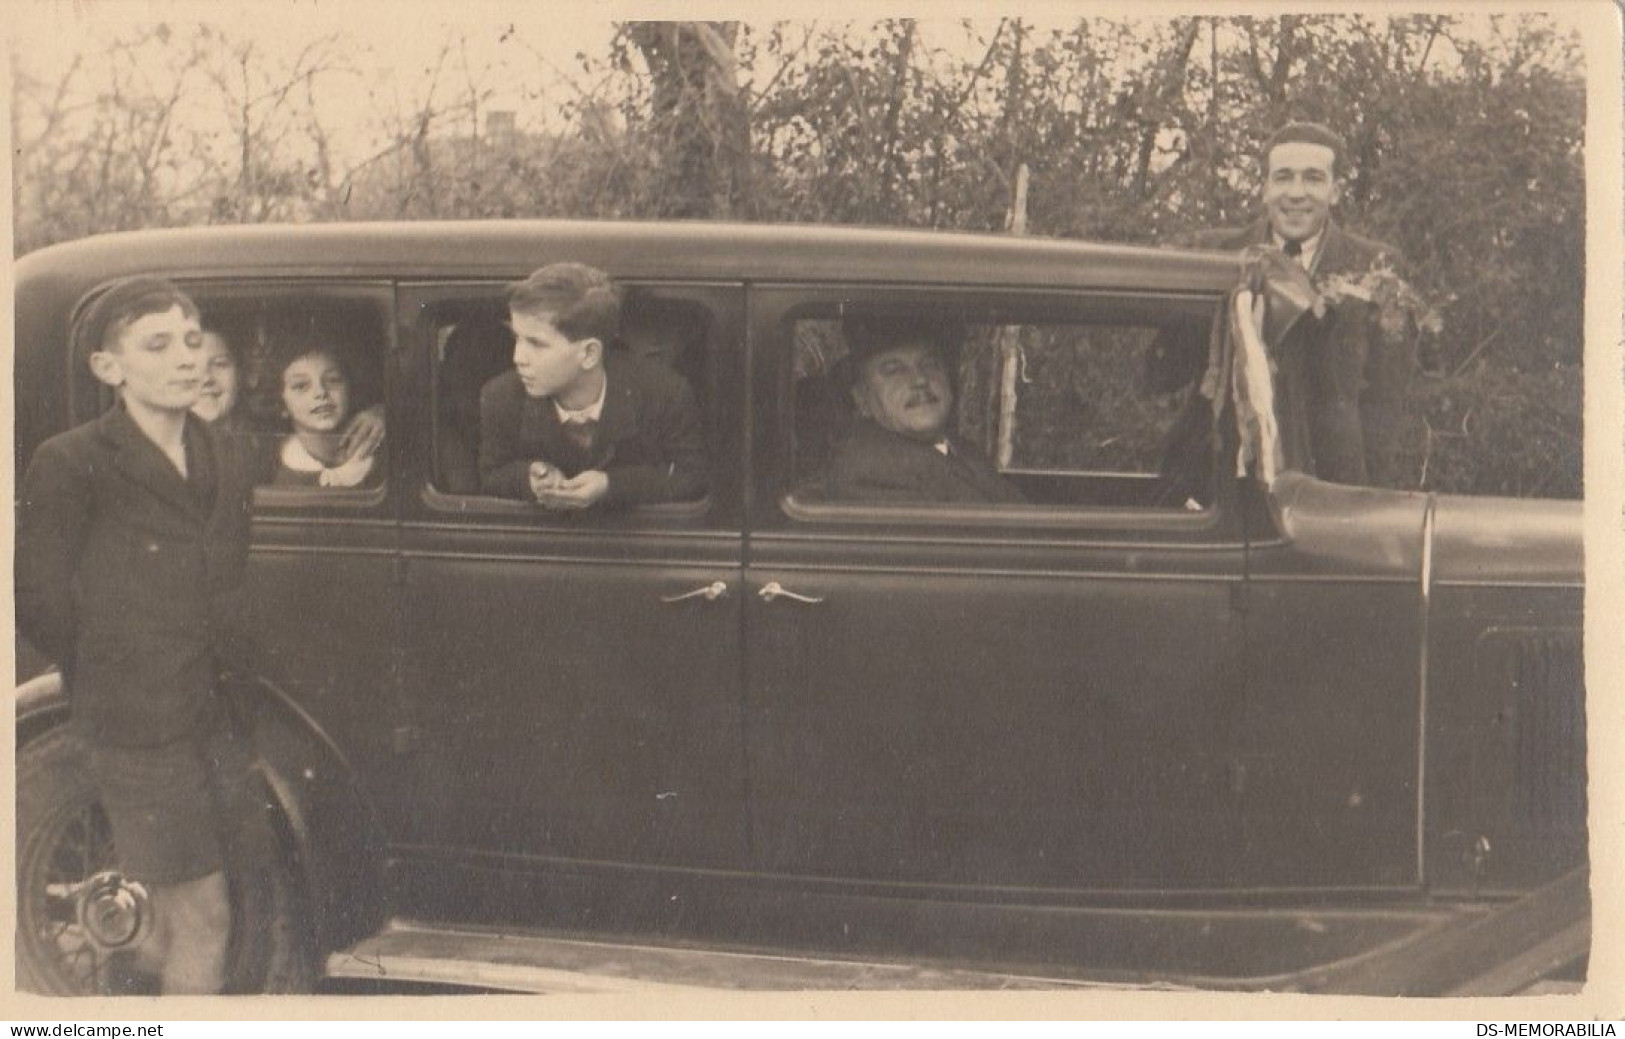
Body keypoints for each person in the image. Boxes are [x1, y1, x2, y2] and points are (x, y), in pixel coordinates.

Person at [15, 276, 256, 993]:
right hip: (135, 722)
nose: (187, 358)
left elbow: (228, 578)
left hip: (219, 716)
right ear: (108, 368)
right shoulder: (73, 461)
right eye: (158, 345)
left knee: (188, 916)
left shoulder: (230, 451)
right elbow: (38, 596)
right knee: (205, 916)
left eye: (192, 340)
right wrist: (105, 676)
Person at [1191, 121, 1414, 487]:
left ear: (1335, 191)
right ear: (1264, 189)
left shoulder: (1378, 268)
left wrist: (1370, 497)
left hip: (1334, 489)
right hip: (1229, 487)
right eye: (1283, 178)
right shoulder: (1218, 255)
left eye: (1312, 178)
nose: (1296, 193)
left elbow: (1387, 406)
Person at [478, 262, 707, 509]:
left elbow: (691, 477)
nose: (518, 357)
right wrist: (531, 478)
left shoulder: (665, 394)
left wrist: (611, 485)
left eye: (536, 344)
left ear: (589, 354)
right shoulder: (501, 397)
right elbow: (492, 473)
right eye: (516, 338)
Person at [824, 315, 1025, 505]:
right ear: (862, 399)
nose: (920, 379)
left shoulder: (960, 449)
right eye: (894, 370)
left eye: (929, 364)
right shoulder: (871, 473)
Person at [194, 328, 385, 483]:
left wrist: (383, 413)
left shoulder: (261, 447)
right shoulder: (273, 459)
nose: (320, 393)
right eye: (301, 386)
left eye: (220, 363)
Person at [269, 344, 382, 488]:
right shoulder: (275, 466)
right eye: (301, 385)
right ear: (282, 403)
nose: (321, 392)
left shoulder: (379, 449)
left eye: (333, 380)